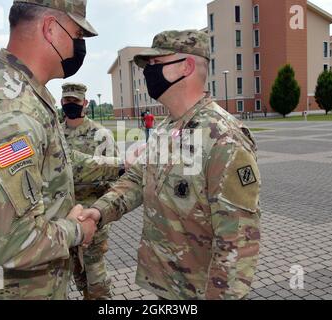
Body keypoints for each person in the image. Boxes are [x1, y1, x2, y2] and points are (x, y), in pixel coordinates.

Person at [78, 30, 261, 300]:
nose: (147, 73)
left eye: (155, 64)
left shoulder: (223, 138)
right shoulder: (166, 129)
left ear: (186, 67)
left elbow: (238, 242)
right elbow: (136, 180)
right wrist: (98, 212)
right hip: (169, 287)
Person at [0, 0, 99, 300]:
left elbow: (56, 165)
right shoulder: (13, 114)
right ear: (50, 29)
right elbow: (6, 241)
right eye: (77, 34)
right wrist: (77, 231)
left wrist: (120, 164)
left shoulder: (17, 92)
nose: (79, 46)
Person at [62, 82, 122, 300]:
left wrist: (102, 213)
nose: (70, 104)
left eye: (75, 101)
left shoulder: (101, 135)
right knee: (77, 274)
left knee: (96, 277)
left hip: (92, 218)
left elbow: (116, 176)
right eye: (67, 101)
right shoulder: (55, 135)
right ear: (61, 102)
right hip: (64, 218)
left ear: (85, 103)